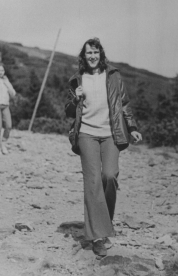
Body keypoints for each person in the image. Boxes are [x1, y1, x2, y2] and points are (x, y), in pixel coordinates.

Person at [65, 38, 142, 257]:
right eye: (88, 53)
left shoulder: (114, 76)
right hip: (86, 134)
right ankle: (98, 236)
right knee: (93, 181)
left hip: (110, 133)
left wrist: (132, 126)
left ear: (101, 54)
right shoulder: (76, 80)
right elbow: (69, 112)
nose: (92, 56)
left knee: (109, 176)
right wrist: (75, 99)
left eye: (95, 52)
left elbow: (124, 103)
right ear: (84, 55)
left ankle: (104, 221)